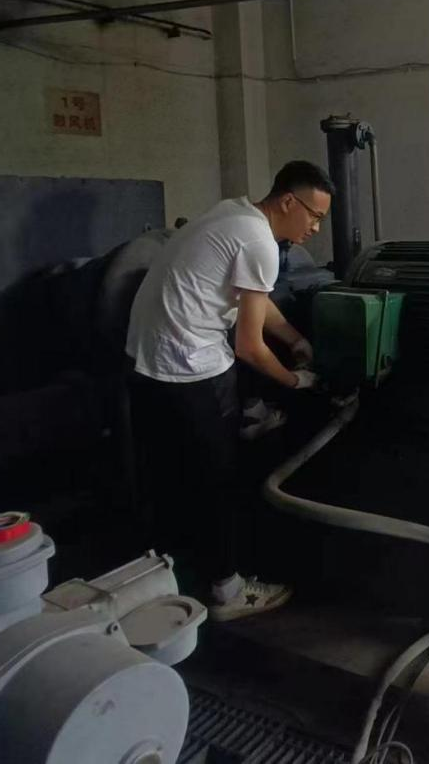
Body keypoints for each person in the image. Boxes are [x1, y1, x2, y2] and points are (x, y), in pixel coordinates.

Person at [126, 160, 335, 621]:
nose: (316, 228)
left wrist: (295, 340)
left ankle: (166, 576)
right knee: (218, 480)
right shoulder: (259, 241)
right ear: (288, 202)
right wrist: (297, 380)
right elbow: (249, 346)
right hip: (186, 368)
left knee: (169, 478)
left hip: (146, 363)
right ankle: (228, 591)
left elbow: (253, 301)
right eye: (315, 216)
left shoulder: (233, 213)